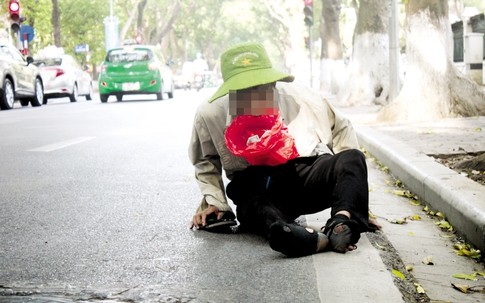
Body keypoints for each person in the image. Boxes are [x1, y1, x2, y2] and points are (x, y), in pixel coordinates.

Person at [188, 42, 380, 257]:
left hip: (304, 173)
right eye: (244, 92)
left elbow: (342, 130)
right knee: (254, 205)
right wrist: (217, 204)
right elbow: (205, 162)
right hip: (258, 188)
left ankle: (343, 222)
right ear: (230, 92)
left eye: (261, 88)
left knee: (353, 158)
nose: (255, 98)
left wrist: (353, 198)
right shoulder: (209, 114)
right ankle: (297, 235)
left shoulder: (304, 97)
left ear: (273, 83)